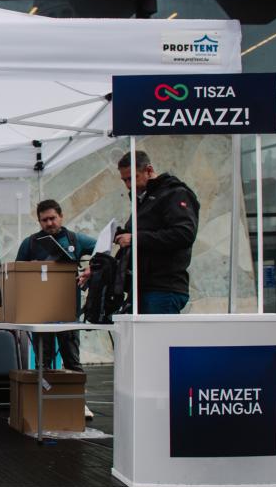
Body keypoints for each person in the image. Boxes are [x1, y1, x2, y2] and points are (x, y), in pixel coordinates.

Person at [82, 150, 200, 315]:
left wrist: (135, 239)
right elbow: (136, 242)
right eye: (124, 180)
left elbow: (184, 234)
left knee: (157, 339)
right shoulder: (143, 199)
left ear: (149, 170)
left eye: (132, 178)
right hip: (140, 287)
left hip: (163, 287)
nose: (129, 185)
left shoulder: (175, 193)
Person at [15, 199, 95, 371]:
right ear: (39, 221)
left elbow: (101, 249)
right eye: (45, 220)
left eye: (53, 218)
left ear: (61, 216)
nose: (50, 223)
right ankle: (44, 397)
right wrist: (31, 267)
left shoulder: (75, 239)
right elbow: (17, 274)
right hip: (40, 313)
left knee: (72, 361)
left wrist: (92, 268)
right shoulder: (30, 243)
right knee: (43, 363)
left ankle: (74, 397)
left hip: (68, 311)